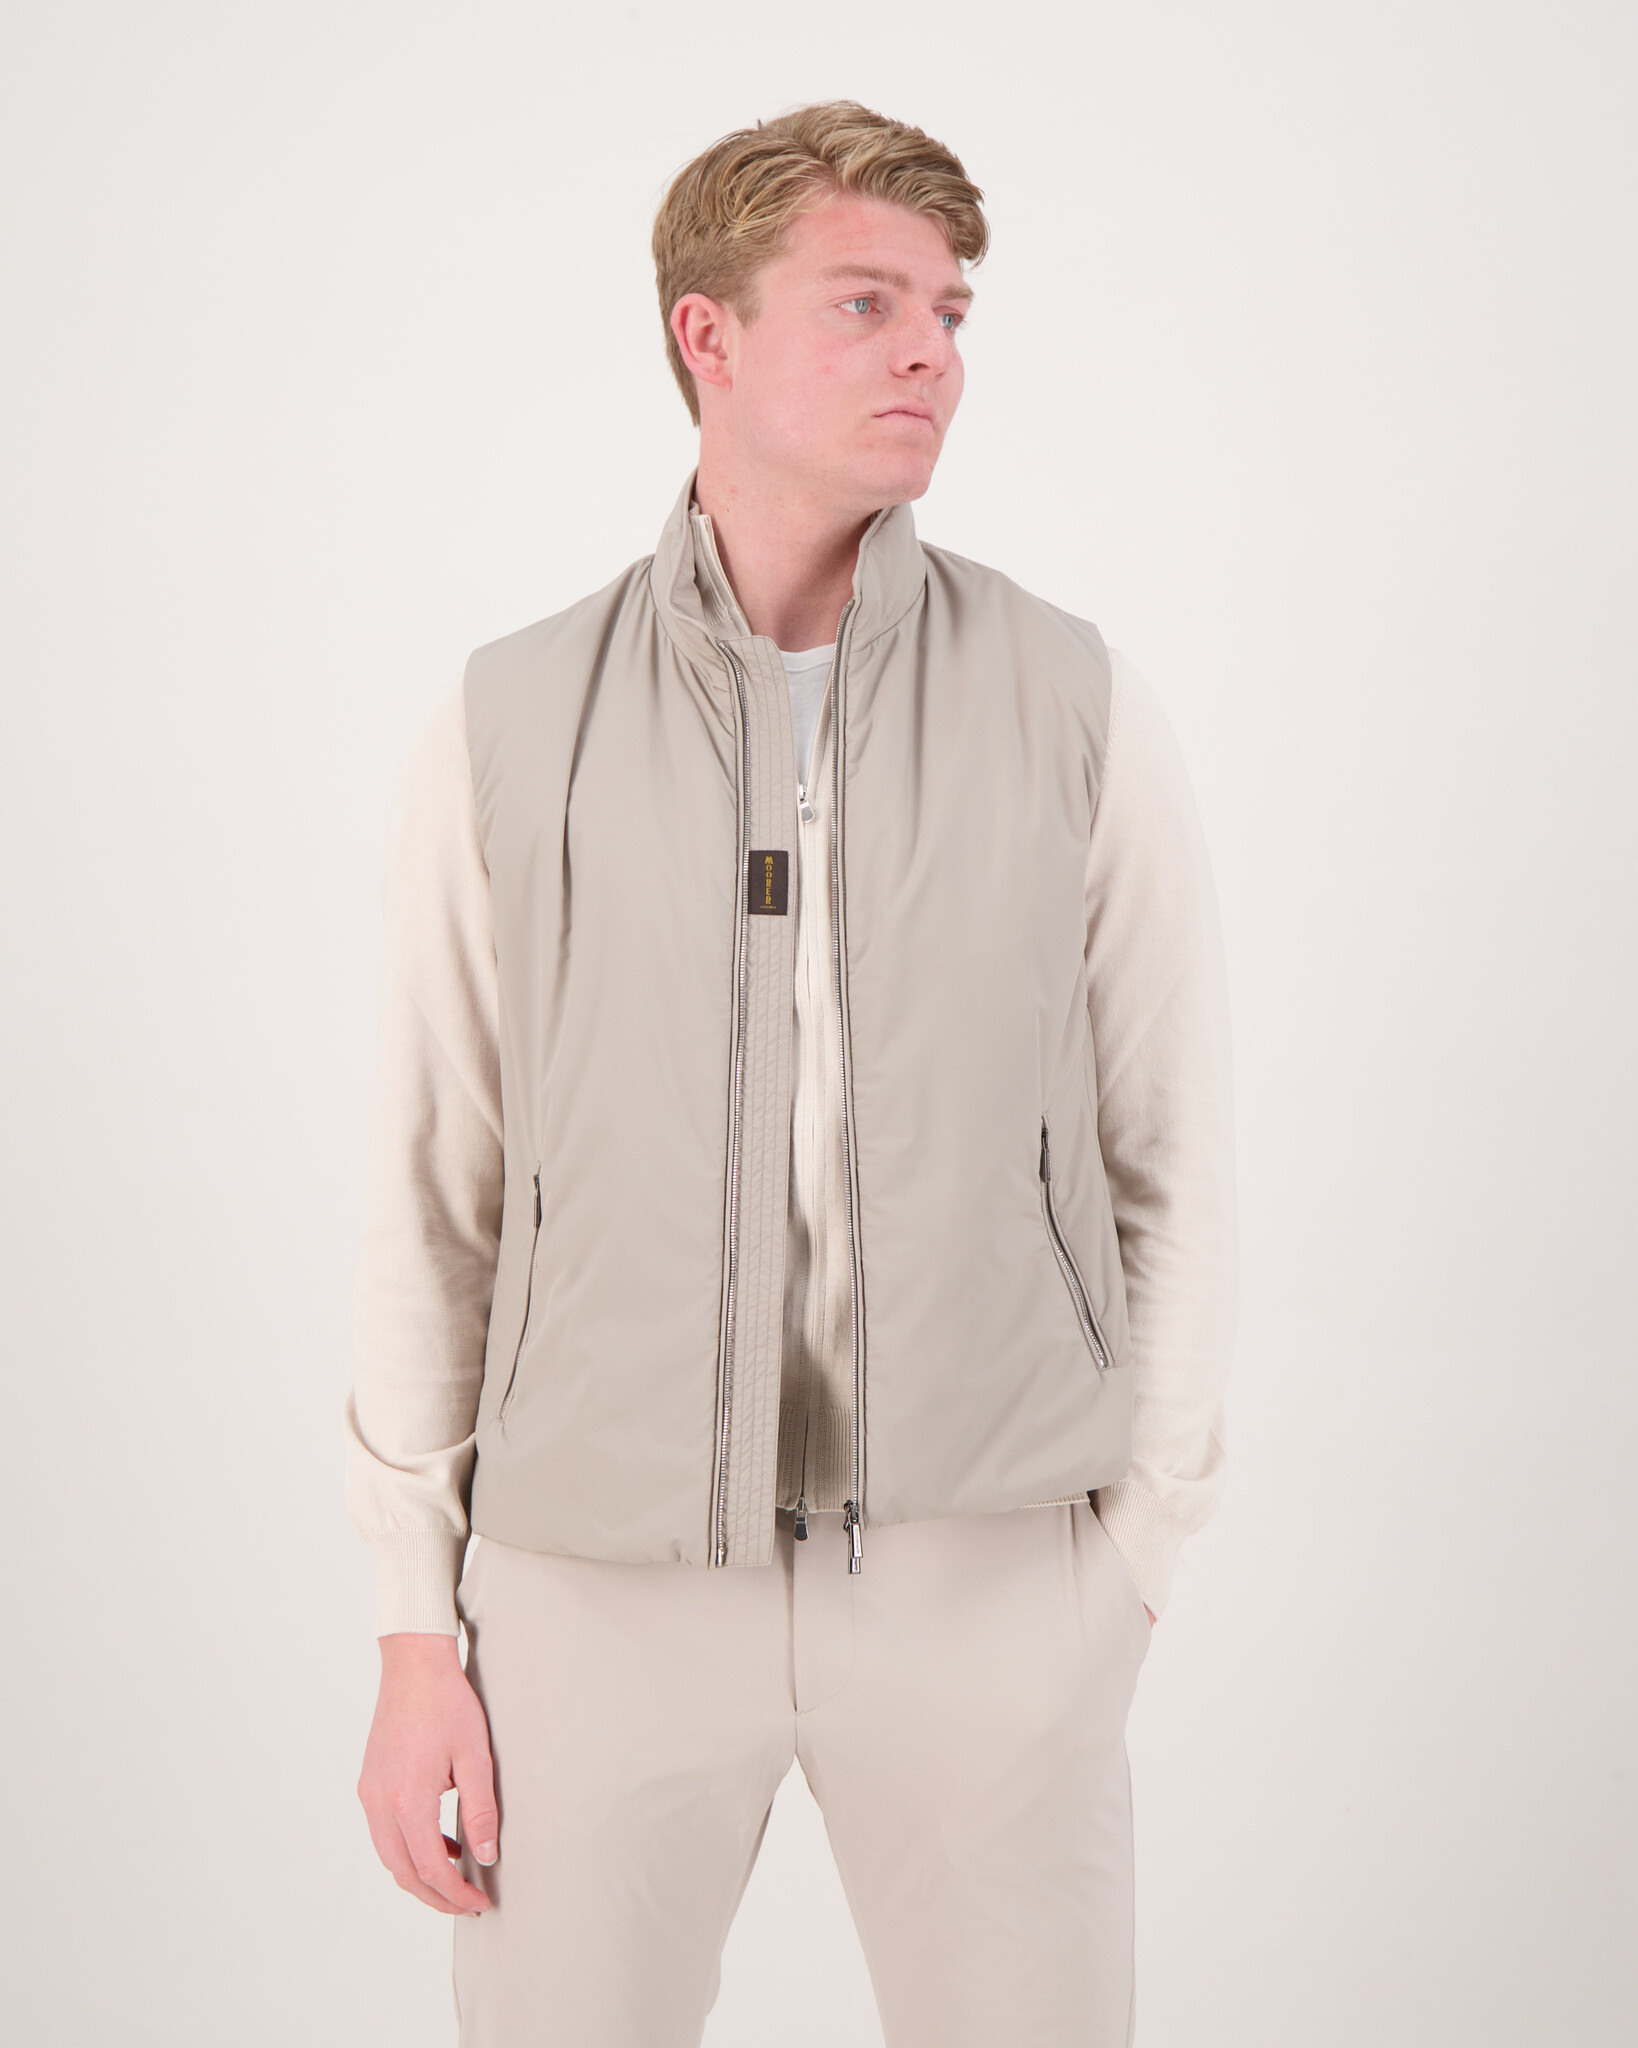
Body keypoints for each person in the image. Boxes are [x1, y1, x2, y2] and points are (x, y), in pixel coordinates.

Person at [343, 98, 1238, 2048]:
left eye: (951, 310)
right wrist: (420, 1627)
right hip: (596, 1589)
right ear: (708, 336)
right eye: (866, 303)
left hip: (991, 1579)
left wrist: (1131, 1564)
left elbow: (1171, 1151)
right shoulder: (512, 720)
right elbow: (435, 1188)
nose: (933, 352)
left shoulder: (1069, 696)